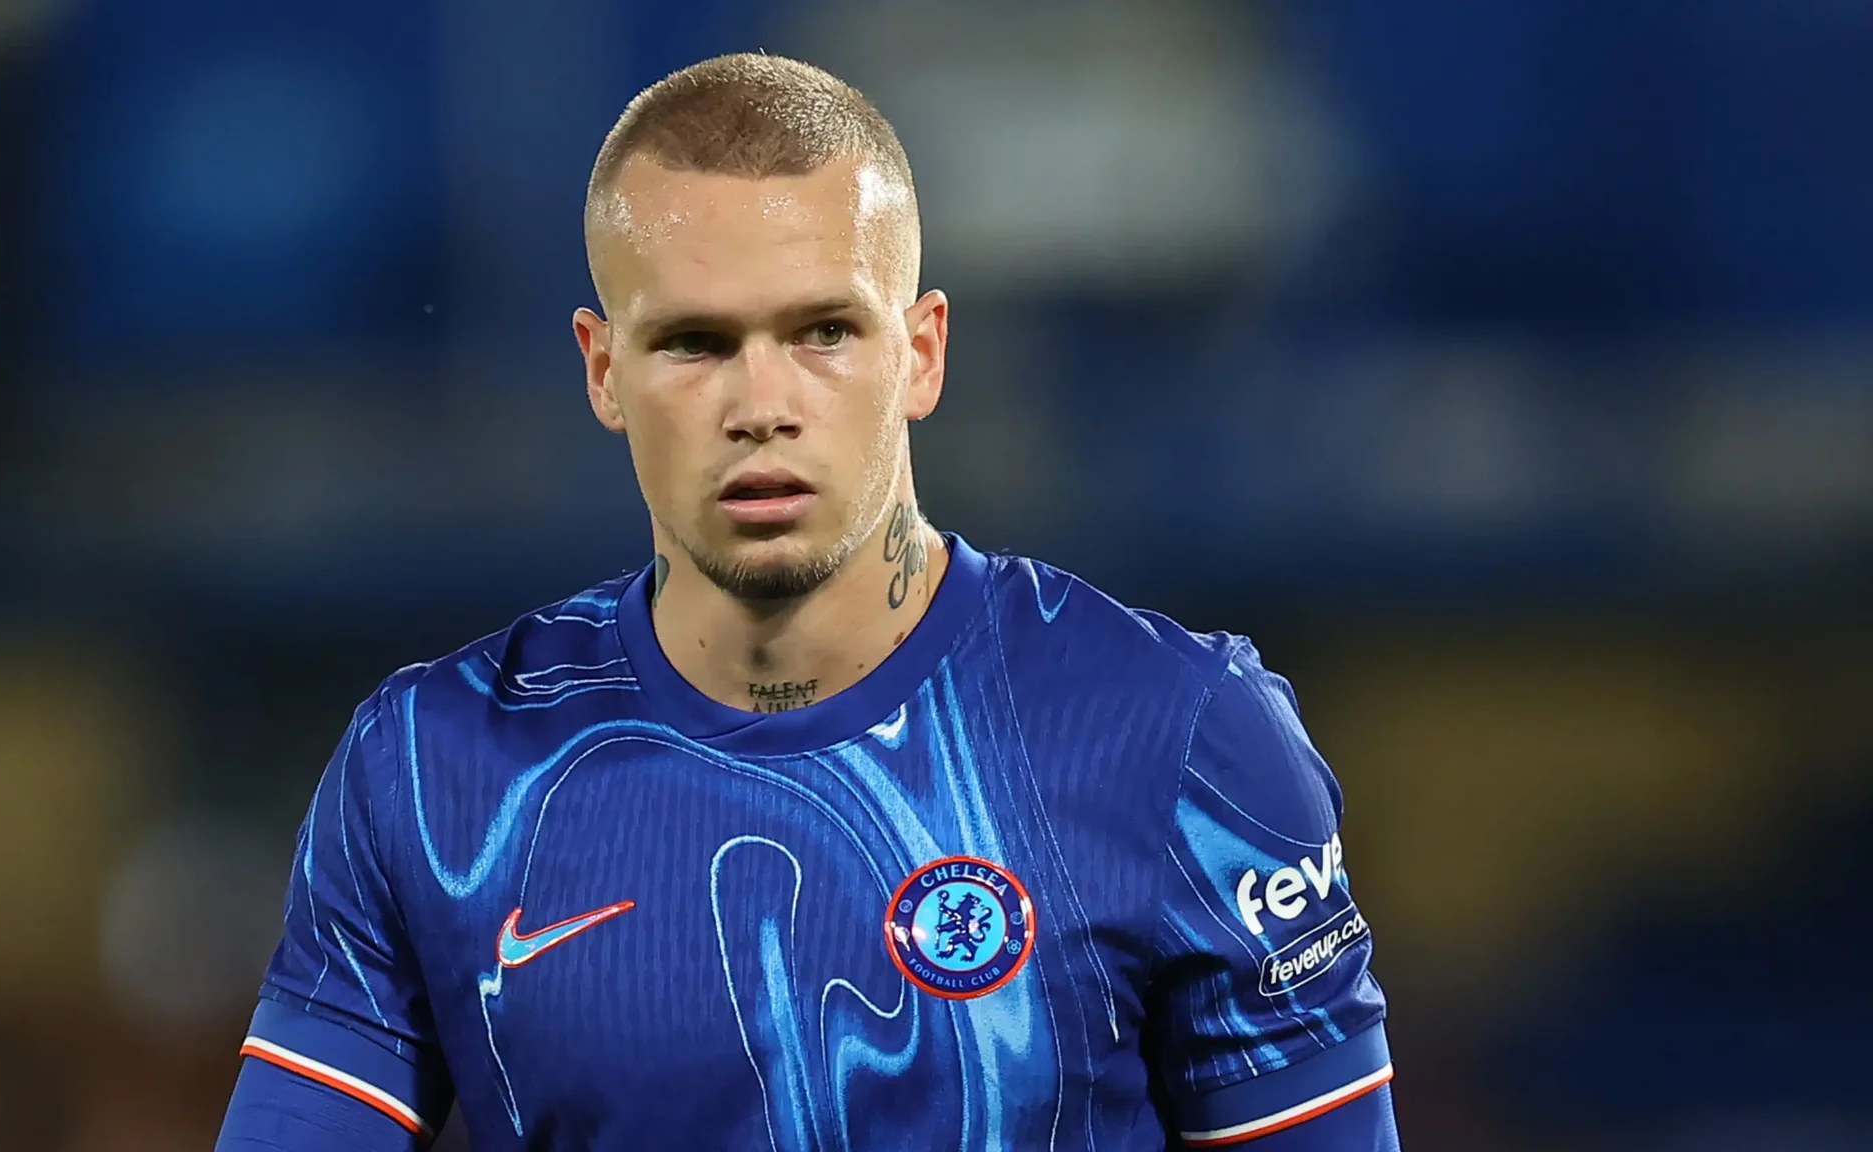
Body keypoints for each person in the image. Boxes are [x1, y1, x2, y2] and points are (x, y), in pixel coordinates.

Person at [215, 52, 1398, 1151]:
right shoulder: (430, 778)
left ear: (921, 352)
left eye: (823, 330)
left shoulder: (1183, 736)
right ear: (602, 370)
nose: (761, 406)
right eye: (694, 343)